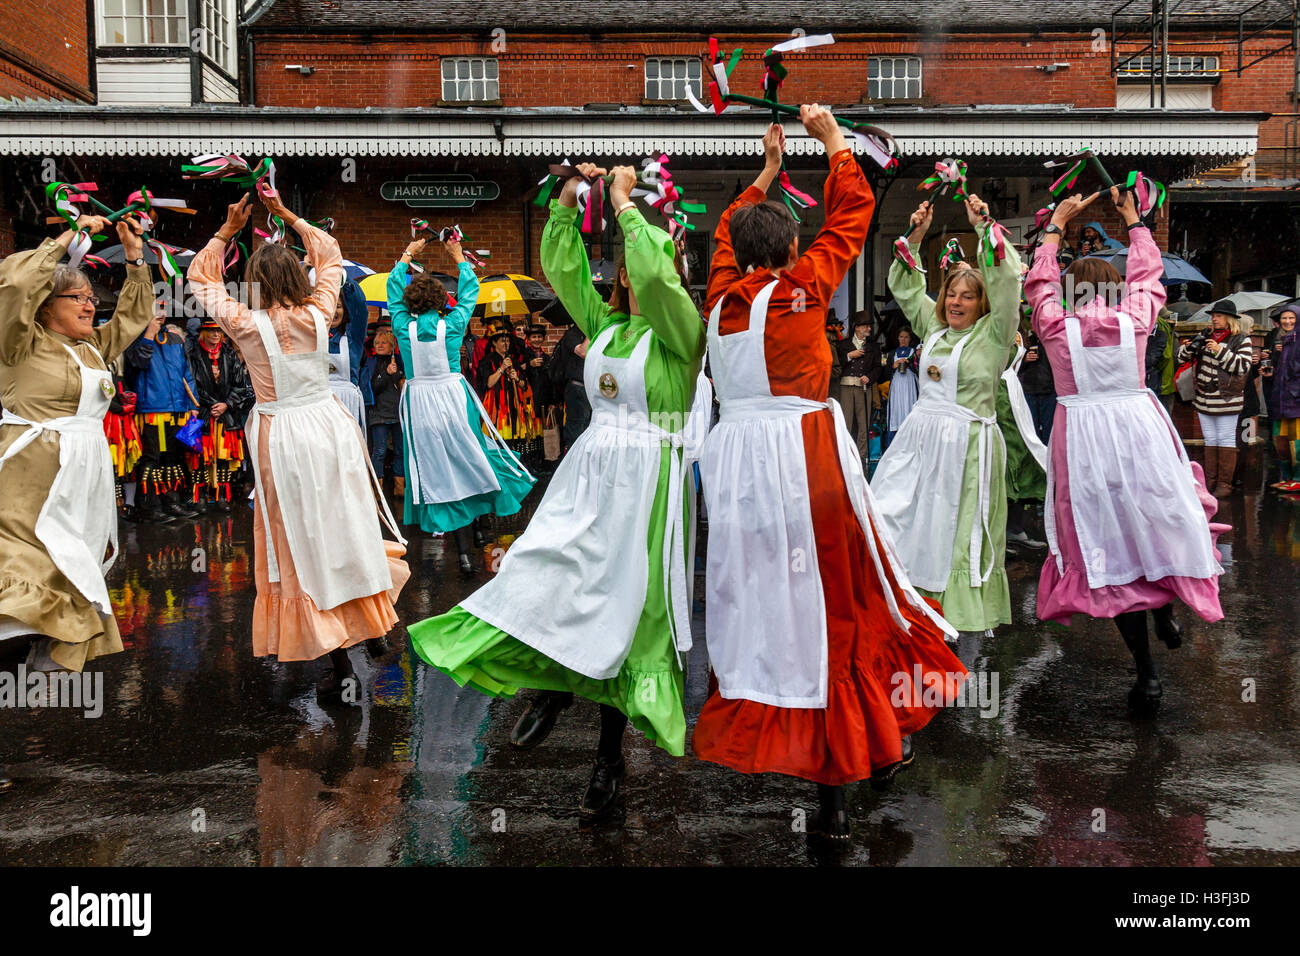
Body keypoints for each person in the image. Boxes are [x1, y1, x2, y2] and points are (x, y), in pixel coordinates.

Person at [693, 111, 963, 840]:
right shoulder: (804, 285)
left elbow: (724, 232)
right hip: (804, 456)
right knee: (834, 605)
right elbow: (853, 211)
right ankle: (836, 798)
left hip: (738, 467)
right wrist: (834, 141)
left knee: (767, 604)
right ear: (786, 246)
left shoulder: (718, 297)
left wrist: (767, 174)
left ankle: (787, 732)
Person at [408, 162, 706, 820]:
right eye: (623, 263)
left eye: (639, 260)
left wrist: (627, 208)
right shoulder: (604, 324)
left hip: (647, 489)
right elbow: (563, 264)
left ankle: (608, 759)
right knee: (541, 567)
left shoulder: (681, 335)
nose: (629, 270)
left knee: (627, 619)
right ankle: (554, 680)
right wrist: (573, 200)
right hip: (590, 472)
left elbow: (657, 276)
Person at [187, 189, 410, 704]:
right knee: (344, 526)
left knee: (298, 545)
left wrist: (227, 230)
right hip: (328, 427)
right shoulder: (320, 310)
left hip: (281, 434)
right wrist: (287, 215)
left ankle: (339, 664)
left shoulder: (244, 324)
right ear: (297, 277)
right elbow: (330, 253)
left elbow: (200, 279)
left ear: (257, 285)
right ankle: (372, 631)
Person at [1027, 187, 1224, 714]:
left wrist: (1054, 230)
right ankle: (1165, 607)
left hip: (1085, 441)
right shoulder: (1136, 317)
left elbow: (1038, 285)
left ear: (1071, 291)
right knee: (1158, 518)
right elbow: (1148, 275)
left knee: (1109, 544)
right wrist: (1135, 221)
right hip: (1138, 431)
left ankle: (1147, 674)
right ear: (1114, 290)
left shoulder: (1054, 325)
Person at [0, 213, 152, 677]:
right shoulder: (18, 344)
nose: (90, 306)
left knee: (68, 569)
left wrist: (134, 256)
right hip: (30, 477)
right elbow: (15, 284)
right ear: (46, 305)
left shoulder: (92, 348)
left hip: (84, 481)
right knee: (25, 563)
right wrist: (70, 235)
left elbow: (135, 314)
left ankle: (31, 660)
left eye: (91, 298)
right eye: (78, 298)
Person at [875, 192, 1025, 633]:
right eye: (951, 294)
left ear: (983, 305)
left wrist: (985, 230)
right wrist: (914, 237)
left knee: (956, 537)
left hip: (968, 450)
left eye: (968, 297)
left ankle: (952, 628)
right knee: (894, 518)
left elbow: (1007, 284)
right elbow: (907, 287)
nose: (957, 302)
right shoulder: (934, 327)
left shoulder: (996, 334)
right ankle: (912, 613)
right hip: (919, 445)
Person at [386, 232, 533, 574]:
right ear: (440, 302)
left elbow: (394, 290)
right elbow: (470, 293)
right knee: (473, 458)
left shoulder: (400, 324)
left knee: (439, 473)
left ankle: (464, 553)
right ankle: (481, 523)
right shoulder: (451, 324)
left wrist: (408, 252)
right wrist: (457, 256)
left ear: (409, 304)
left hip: (420, 404)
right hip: (453, 397)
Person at [125, 296, 201, 522]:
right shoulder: (133, 339)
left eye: (162, 309)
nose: (160, 314)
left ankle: (172, 502)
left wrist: (192, 404)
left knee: (173, 459)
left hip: (177, 409)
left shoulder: (175, 339)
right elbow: (138, 364)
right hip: (151, 410)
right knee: (151, 460)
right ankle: (149, 507)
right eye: (155, 309)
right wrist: (148, 335)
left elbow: (186, 374)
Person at [1178, 299, 1253, 497]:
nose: (1214, 319)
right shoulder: (1205, 336)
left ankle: (1224, 485)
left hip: (1227, 399)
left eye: (1218, 316)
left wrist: (1220, 351)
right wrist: (1191, 346)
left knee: (1226, 439)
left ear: (1229, 319)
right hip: (1204, 398)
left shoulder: (1241, 339)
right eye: (1213, 316)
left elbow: (1242, 367)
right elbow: (1180, 359)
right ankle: (1209, 482)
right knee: (1209, 439)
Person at [186, 318, 254, 512]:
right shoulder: (193, 355)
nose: (215, 335)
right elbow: (191, 384)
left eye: (218, 331)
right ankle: (199, 497)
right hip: (203, 414)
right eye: (211, 331)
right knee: (200, 458)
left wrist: (226, 404)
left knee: (223, 458)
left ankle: (222, 496)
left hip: (226, 415)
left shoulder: (229, 354)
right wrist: (210, 404)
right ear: (203, 333)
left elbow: (240, 386)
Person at [475, 323, 542, 462]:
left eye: (507, 340)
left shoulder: (514, 362)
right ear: (494, 343)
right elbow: (489, 383)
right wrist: (501, 369)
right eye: (502, 341)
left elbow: (524, 386)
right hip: (496, 407)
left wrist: (516, 378)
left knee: (515, 440)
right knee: (499, 439)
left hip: (514, 405)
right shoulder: (487, 361)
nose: (506, 343)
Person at [364, 327, 405, 497]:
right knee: (379, 451)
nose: (380, 345)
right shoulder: (371, 363)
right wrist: (385, 374)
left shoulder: (399, 361)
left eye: (384, 343)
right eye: (377, 343)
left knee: (400, 450)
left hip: (397, 413)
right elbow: (371, 388)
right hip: (379, 414)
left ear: (391, 346)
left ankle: (399, 487)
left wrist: (398, 375)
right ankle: (377, 489)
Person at [836, 311, 882, 460]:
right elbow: (835, 364)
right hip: (846, 387)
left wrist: (869, 377)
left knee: (864, 423)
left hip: (864, 388)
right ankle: (846, 455)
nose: (869, 328)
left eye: (869, 326)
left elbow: (878, 368)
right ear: (857, 328)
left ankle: (861, 456)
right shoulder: (844, 345)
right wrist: (850, 355)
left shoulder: (874, 347)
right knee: (846, 422)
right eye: (866, 326)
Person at [1264, 307, 1300, 490]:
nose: (1287, 321)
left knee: (1296, 441)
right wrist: (1271, 372)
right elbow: (1283, 371)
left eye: (1291, 318)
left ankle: (1298, 478)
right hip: (1280, 400)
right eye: (1284, 318)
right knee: (1281, 440)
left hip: (1295, 402)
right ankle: (1287, 477)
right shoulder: (1284, 341)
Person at [328, 277, 369, 431]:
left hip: (348, 403)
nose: (333, 311)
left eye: (338, 306)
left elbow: (360, 309)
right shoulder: (312, 337)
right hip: (320, 405)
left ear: (344, 310)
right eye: (329, 306)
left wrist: (342, 278)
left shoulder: (353, 336)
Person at [548, 322, 591, 454]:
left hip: (590, 390)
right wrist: (591, 333)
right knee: (576, 432)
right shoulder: (572, 334)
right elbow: (583, 352)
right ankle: (572, 466)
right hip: (577, 388)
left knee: (589, 432)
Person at [1019, 328, 1057, 445]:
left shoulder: (1053, 342)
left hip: (1049, 390)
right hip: (1029, 390)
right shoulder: (1026, 342)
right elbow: (1014, 367)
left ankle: (1048, 457)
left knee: (1049, 430)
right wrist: (1024, 359)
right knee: (1031, 429)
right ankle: (1035, 459)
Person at [885, 326, 919, 447]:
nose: (903, 339)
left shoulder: (914, 352)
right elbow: (884, 373)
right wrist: (893, 365)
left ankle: (911, 444)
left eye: (906, 337)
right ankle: (894, 445)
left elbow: (919, 369)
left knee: (909, 408)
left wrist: (909, 363)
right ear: (898, 338)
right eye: (901, 337)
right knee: (896, 411)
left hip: (909, 386)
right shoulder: (892, 353)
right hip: (897, 386)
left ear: (910, 339)